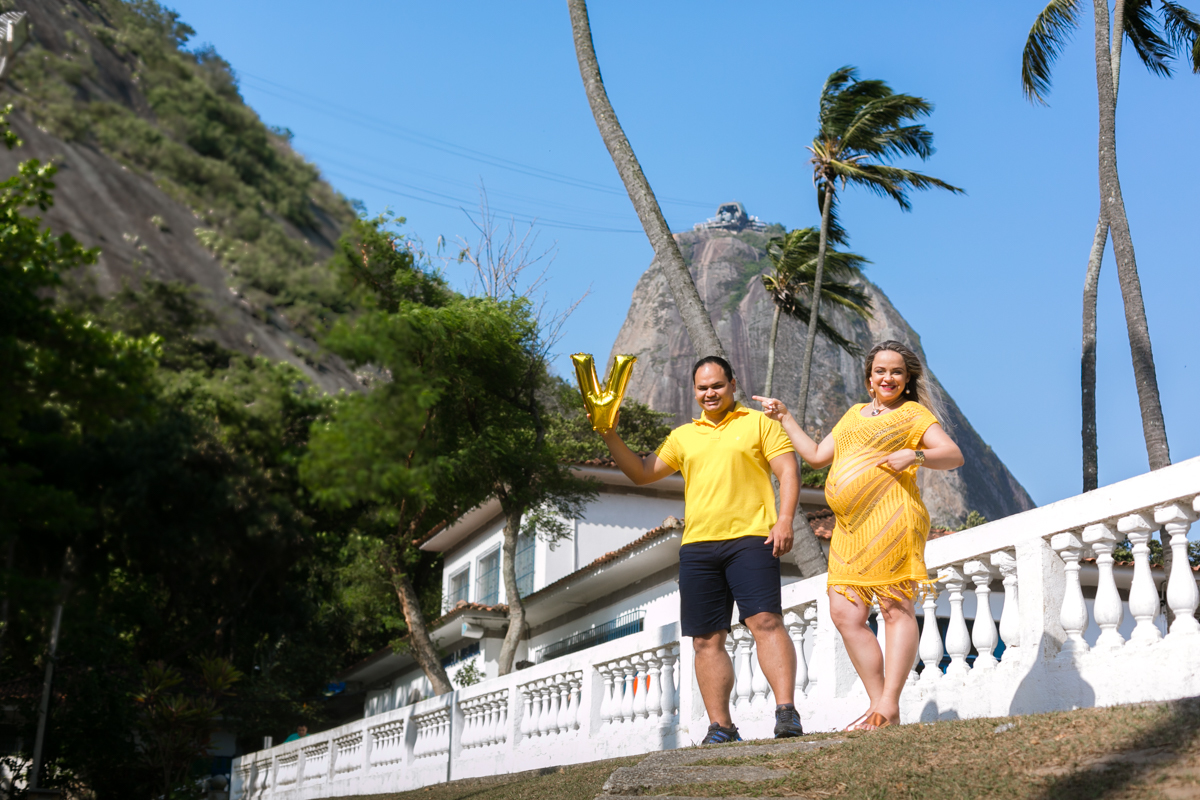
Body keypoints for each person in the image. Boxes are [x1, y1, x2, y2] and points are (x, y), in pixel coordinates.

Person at [754, 340, 964, 731]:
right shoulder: (853, 414)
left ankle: (886, 706)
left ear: (907, 379)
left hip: (893, 519)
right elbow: (817, 455)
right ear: (869, 378)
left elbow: (953, 454)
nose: (888, 377)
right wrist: (784, 417)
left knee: (894, 608)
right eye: (881, 371)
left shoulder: (913, 415)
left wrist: (915, 455)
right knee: (844, 613)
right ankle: (879, 705)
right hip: (849, 528)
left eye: (897, 372)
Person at [598, 355, 805, 743]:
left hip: (752, 538)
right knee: (705, 640)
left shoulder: (759, 423)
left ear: (732, 385)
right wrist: (608, 433)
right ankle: (721, 727)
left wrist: (785, 519)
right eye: (702, 387)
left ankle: (786, 713)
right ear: (694, 391)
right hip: (697, 546)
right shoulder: (683, 436)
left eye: (717, 385)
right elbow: (642, 473)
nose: (710, 393)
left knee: (765, 622)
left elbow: (788, 471)